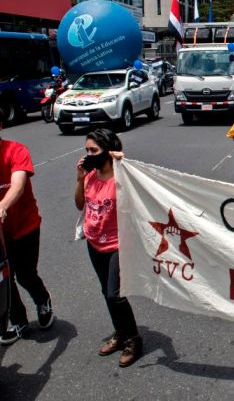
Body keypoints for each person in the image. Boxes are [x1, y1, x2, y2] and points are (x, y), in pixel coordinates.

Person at [74, 129, 142, 366]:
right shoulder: (90, 175)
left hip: (117, 244)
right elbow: (79, 204)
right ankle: (120, 332)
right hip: (94, 241)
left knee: (115, 295)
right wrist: (80, 178)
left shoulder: (121, 176)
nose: (88, 155)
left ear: (107, 150)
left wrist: (120, 160)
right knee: (106, 292)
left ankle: (134, 339)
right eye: (86, 150)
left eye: (94, 150)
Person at [0, 109, 53, 345]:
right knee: (4, 280)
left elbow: (18, 185)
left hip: (24, 227)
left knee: (25, 274)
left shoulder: (16, 150)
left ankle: (42, 299)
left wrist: (2, 206)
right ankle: (17, 318)